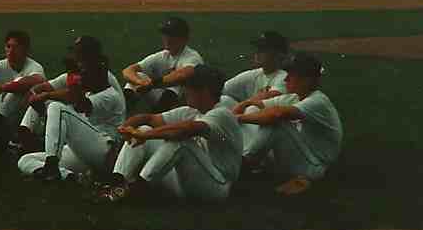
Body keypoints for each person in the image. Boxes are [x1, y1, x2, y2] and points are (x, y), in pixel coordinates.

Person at [100, 65, 242, 203]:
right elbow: (148, 119)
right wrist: (127, 128)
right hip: (190, 181)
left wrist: (146, 136)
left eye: (189, 86)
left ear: (204, 91)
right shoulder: (191, 111)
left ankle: (137, 190)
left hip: (217, 187)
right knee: (144, 128)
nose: (185, 90)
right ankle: (116, 184)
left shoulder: (222, 113)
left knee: (181, 142)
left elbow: (187, 129)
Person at [17, 36, 126, 182]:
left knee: (57, 107)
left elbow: (77, 103)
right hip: (83, 148)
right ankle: (71, 178)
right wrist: (40, 103)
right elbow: (73, 108)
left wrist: (46, 97)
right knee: (26, 160)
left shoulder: (110, 95)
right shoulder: (88, 84)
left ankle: (51, 165)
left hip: (104, 149)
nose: (82, 75)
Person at [236, 51, 343, 195]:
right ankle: (248, 160)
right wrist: (244, 106)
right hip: (298, 155)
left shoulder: (318, 101)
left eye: (291, 75)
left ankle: (244, 164)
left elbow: (276, 114)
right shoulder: (294, 98)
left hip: (313, 166)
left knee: (277, 124)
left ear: (306, 80)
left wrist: (237, 119)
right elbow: (256, 105)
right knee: (252, 110)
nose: (285, 79)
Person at [122, 16, 204, 112]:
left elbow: (183, 74)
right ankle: (123, 113)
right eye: (165, 34)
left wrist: (151, 84)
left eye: (172, 35)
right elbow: (128, 71)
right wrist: (141, 82)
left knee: (178, 85)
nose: (167, 38)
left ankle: (157, 119)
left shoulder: (192, 57)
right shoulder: (162, 55)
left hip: (187, 105)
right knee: (138, 76)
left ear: (184, 38)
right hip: (165, 100)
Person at [220, 30, 289, 109]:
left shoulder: (286, 76)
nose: (257, 52)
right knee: (224, 100)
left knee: (252, 108)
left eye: (263, 49)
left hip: (271, 118)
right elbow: (221, 89)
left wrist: (242, 105)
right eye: (257, 48)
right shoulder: (254, 74)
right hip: (247, 116)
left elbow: (272, 95)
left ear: (278, 54)